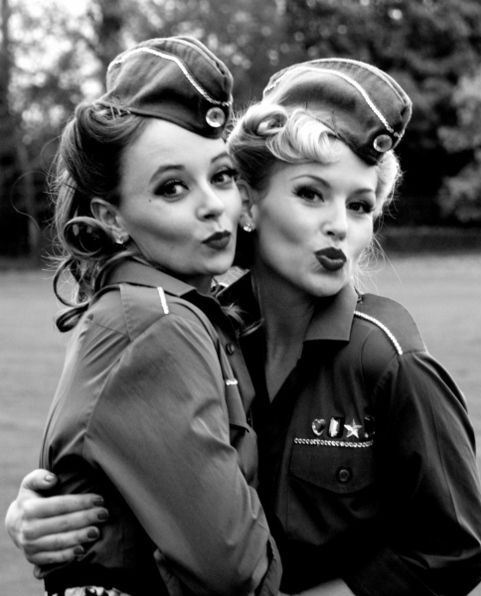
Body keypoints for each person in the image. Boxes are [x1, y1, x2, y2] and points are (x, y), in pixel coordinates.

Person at [6, 57, 481, 595]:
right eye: (310, 193)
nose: (339, 225)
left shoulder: (388, 358)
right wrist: (45, 512)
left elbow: (456, 548)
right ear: (249, 203)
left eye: (360, 205)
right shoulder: (201, 331)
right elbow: (163, 489)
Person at [7, 35, 282, 596]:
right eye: (173, 187)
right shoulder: (154, 320)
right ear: (112, 217)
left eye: (222, 176)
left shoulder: (177, 305)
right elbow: (233, 570)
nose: (213, 205)